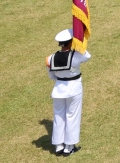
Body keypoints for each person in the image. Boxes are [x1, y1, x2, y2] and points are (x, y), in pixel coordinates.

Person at [48, 28, 91, 157]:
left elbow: (51, 76)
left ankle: (58, 146)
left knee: (59, 117)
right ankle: (69, 146)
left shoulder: (50, 58)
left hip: (58, 89)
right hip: (74, 89)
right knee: (72, 116)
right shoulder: (77, 55)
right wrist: (80, 43)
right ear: (71, 42)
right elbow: (88, 55)